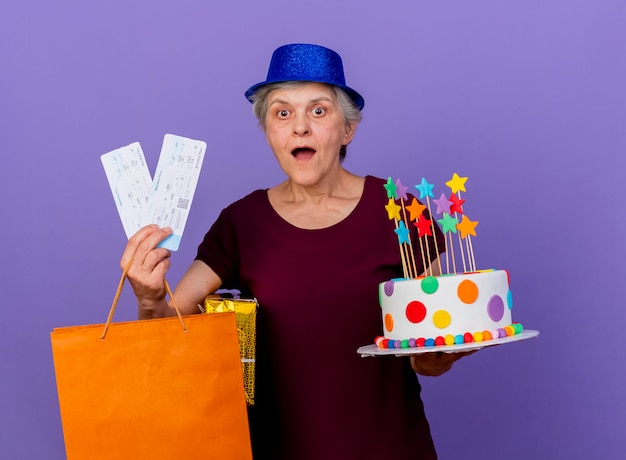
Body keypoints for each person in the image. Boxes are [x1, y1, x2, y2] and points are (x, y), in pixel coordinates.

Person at [122, 43, 469, 459]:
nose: (299, 127)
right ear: (268, 130)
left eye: (318, 111)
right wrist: (149, 296)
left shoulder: (401, 210)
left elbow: (426, 359)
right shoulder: (241, 223)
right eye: (282, 113)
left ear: (348, 129)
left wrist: (441, 356)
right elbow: (168, 331)